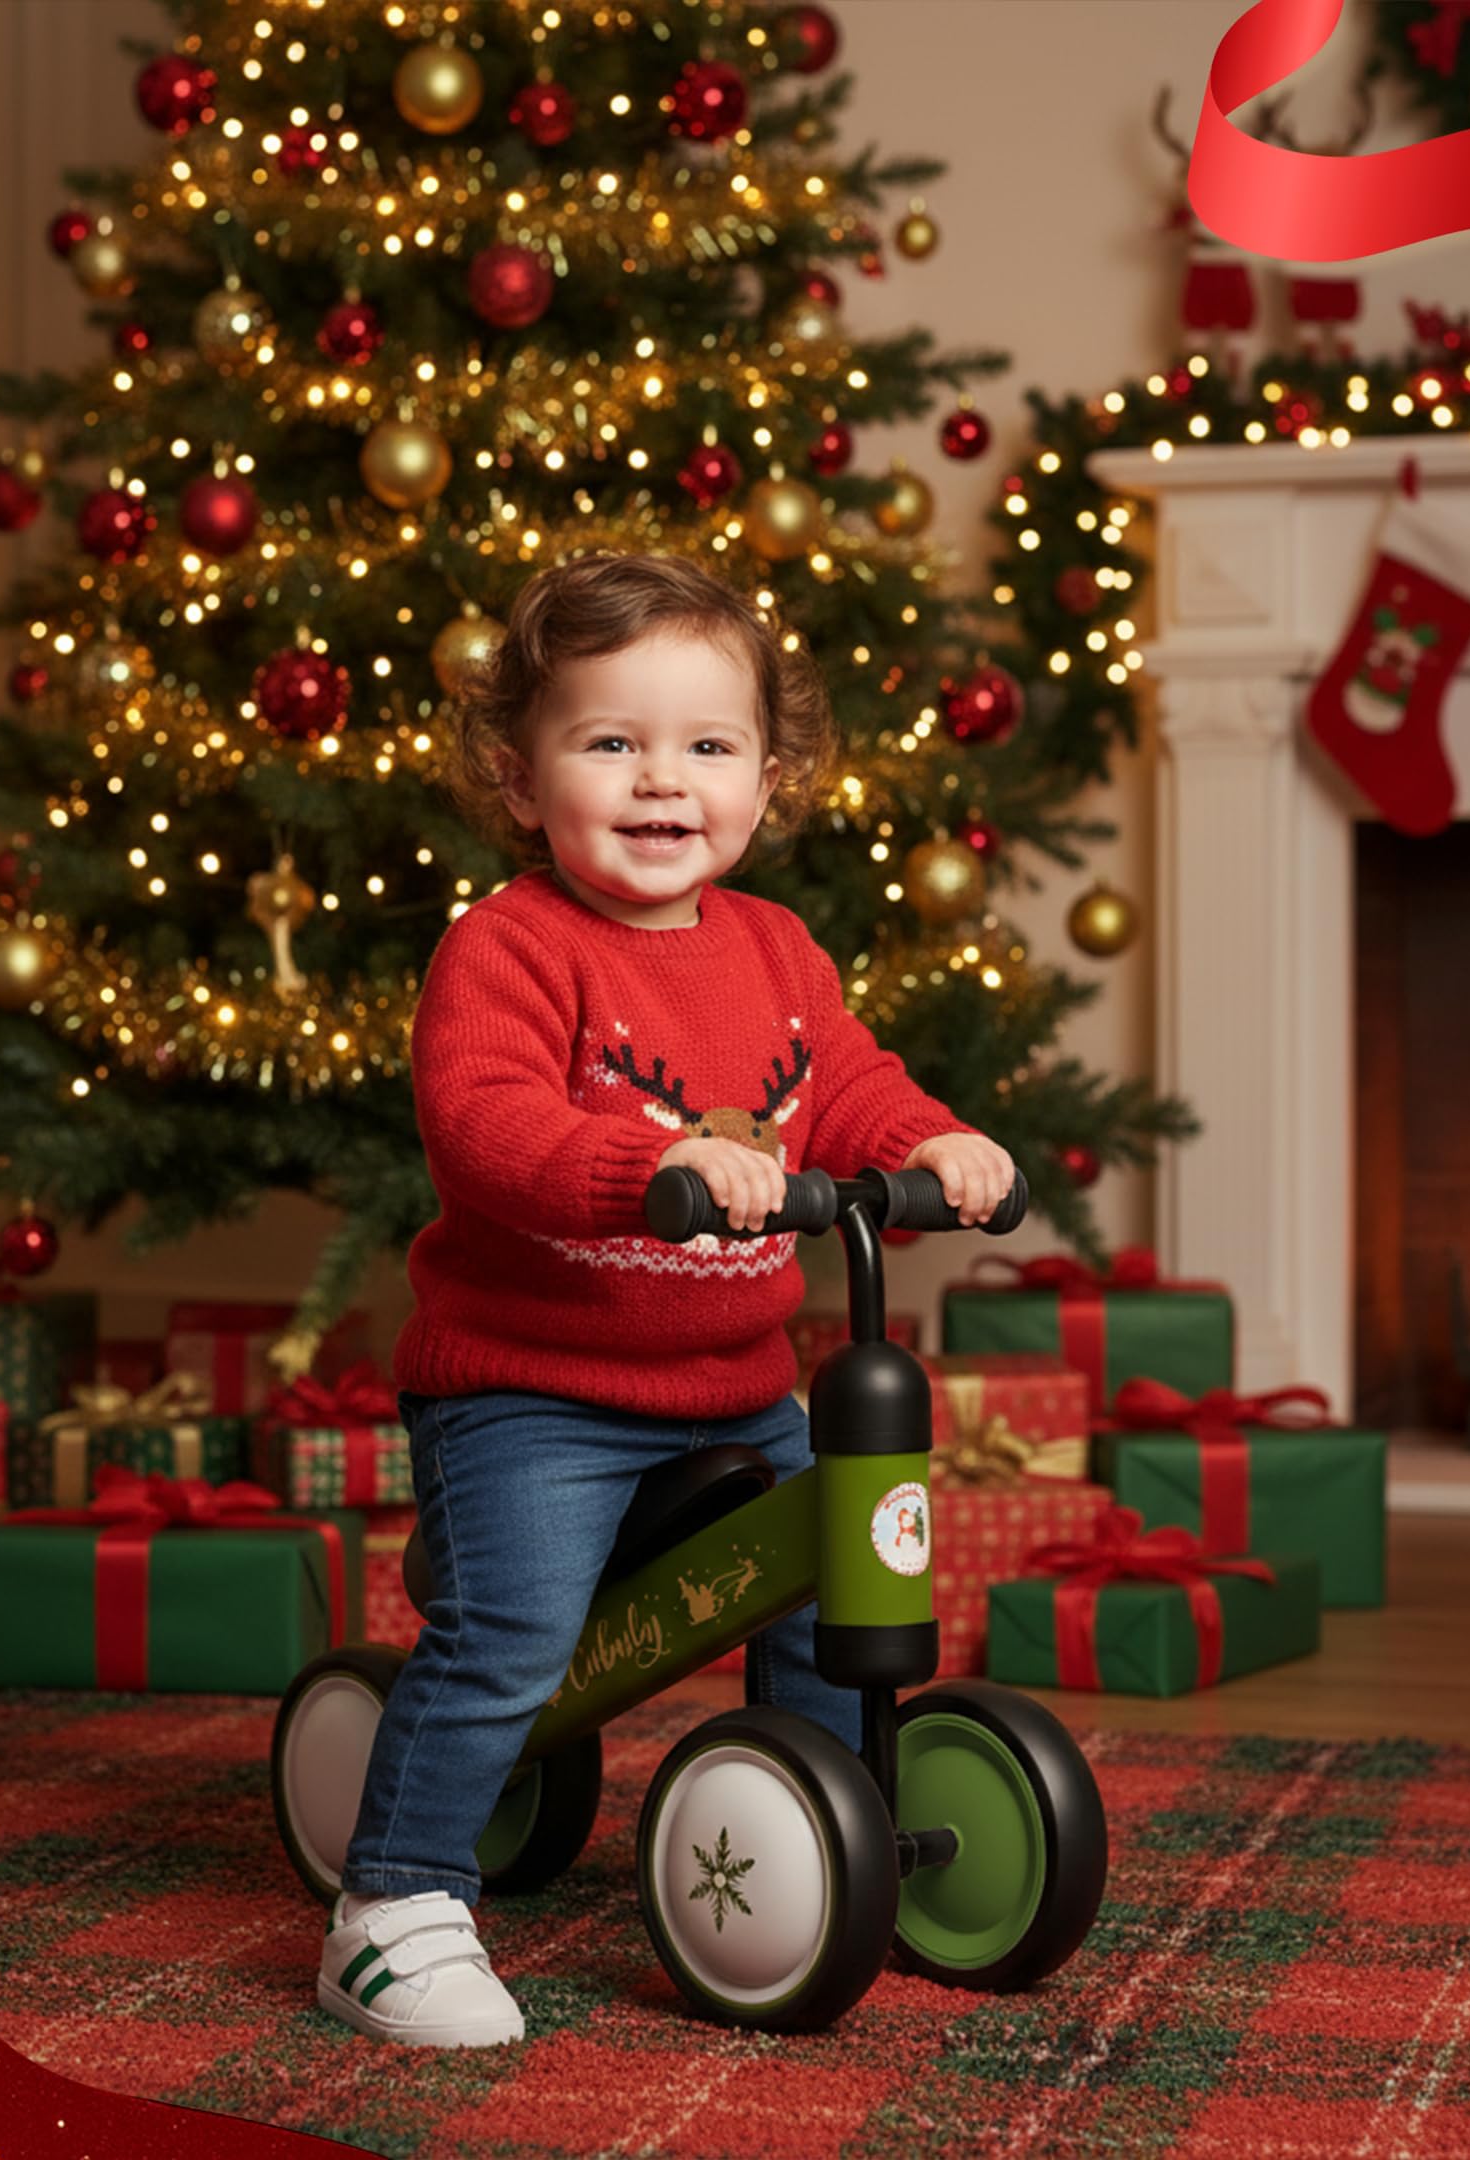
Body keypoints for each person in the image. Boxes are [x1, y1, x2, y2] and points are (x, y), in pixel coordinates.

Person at [321, 553, 1017, 2048]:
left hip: (733, 1387)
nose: (662, 782)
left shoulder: (774, 949)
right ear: (521, 776)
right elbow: (486, 1124)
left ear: (769, 776)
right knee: (510, 1636)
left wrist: (928, 1145)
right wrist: (645, 1168)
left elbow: (848, 1088)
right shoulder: (509, 946)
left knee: (840, 1561)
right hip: (531, 1393)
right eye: (611, 743)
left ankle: (816, 1835)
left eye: (707, 746)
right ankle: (392, 1903)